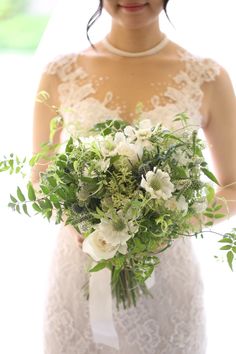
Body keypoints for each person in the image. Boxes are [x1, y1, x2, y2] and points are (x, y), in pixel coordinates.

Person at [32, 0, 236, 353]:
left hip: (167, 278)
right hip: (79, 270)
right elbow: (40, 175)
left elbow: (233, 185)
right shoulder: (59, 73)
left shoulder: (208, 78)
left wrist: (175, 223)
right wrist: (77, 222)